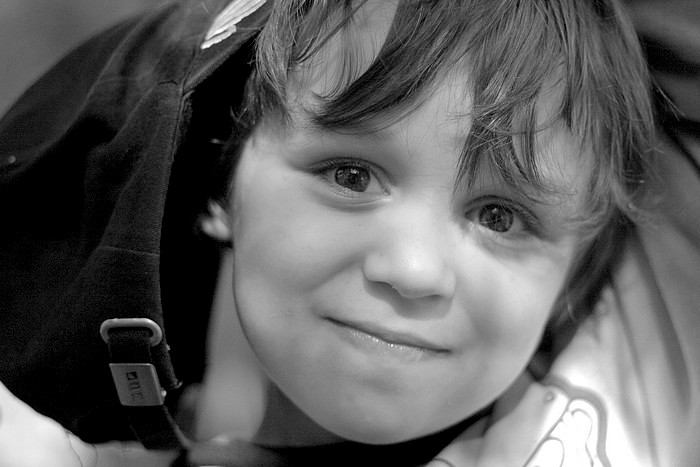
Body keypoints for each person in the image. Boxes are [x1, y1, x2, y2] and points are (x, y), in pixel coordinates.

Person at [0, 0, 698, 465]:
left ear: (574, 279)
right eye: (351, 175)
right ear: (218, 181)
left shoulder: (656, 382)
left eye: (499, 216)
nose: (414, 268)